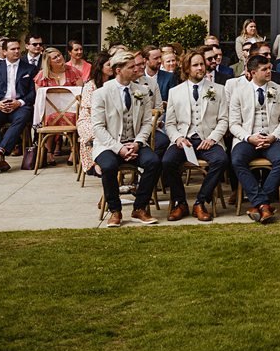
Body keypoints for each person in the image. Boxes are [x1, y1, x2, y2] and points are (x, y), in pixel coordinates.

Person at [91, 49, 161, 227]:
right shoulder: (101, 93)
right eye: (131, 67)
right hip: (109, 144)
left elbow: (147, 123)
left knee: (153, 162)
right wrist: (119, 148)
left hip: (135, 142)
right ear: (118, 70)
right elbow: (98, 127)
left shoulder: (142, 91)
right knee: (108, 166)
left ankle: (140, 207)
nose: (136, 70)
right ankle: (115, 210)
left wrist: (137, 143)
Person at [161, 50, 229, 222]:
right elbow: (169, 123)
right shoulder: (175, 92)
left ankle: (200, 202)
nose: (200, 68)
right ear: (186, 68)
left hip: (209, 139)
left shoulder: (219, 90)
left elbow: (224, 120)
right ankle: (180, 202)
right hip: (184, 140)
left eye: (202, 64)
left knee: (221, 160)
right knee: (167, 161)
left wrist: (212, 138)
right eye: (196, 65)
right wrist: (178, 138)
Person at [227, 54, 280, 224]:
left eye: (269, 68)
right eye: (265, 69)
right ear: (253, 72)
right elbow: (233, 123)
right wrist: (249, 137)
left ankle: (260, 204)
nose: (269, 71)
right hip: (248, 138)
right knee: (237, 160)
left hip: (273, 138)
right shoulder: (238, 93)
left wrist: (273, 136)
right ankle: (264, 204)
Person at [0, 38, 36, 173]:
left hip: (20, 105)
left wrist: (20, 102)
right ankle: (0, 159)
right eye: (13, 49)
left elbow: (33, 92)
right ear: (4, 52)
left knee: (22, 117)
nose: (17, 51)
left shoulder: (30, 68)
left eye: (18, 48)